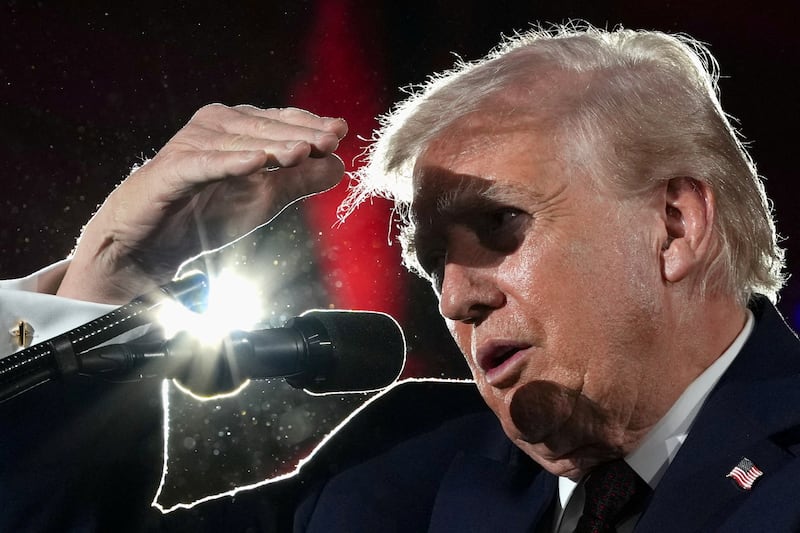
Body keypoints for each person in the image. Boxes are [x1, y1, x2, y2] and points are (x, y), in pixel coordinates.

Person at [2, 23, 798, 532]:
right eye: (432, 259)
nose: (457, 296)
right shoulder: (397, 466)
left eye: (499, 226)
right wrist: (111, 273)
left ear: (674, 226)